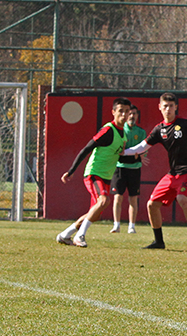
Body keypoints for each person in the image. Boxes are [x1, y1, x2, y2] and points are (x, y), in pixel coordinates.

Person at [121, 92, 187, 250]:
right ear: (160, 108)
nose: (168, 109)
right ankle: (159, 241)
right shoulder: (159, 129)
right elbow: (142, 147)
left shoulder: (184, 124)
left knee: (182, 199)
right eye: (165, 106)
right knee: (151, 204)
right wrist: (122, 152)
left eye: (171, 106)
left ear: (176, 107)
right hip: (173, 174)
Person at [56, 97, 132, 247]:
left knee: (95, 214)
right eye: (121, 111)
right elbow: (87, 148)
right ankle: (80, 236)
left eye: (127, 112)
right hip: (94, 173)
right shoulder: (108, 130)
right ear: (113, 112)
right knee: (104, 201)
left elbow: (119, 155)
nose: (124, 115)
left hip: (106, 177)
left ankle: (65, 234)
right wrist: (71, 170)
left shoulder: (123, 134)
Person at [110, 105, 147, 234]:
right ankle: (116, 225)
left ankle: (131, 226)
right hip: (120, 168)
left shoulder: (141, 132)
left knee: (133, 198)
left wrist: (140, 154)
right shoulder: (120, 130)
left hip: (134, 168)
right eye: (129, 113)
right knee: (118, 197)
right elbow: (117, 149)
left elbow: (143, 152)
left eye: (134, 114)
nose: (132, 116)